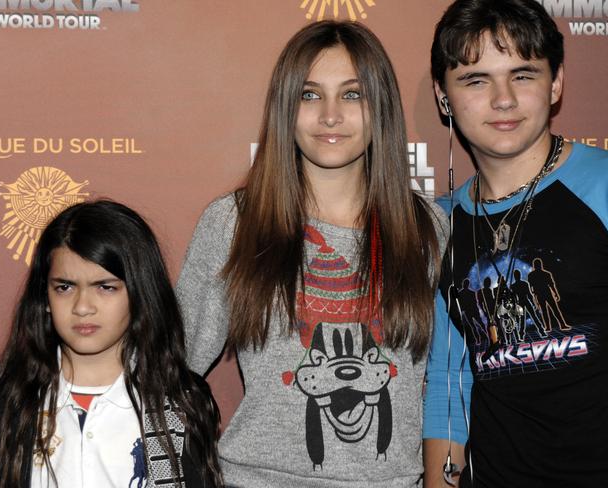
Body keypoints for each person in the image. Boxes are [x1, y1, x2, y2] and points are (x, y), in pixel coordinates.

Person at [177, 20, 448, 488]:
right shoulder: (234, 224)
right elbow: (170, 360)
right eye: (309, 95)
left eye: (351, 94)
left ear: (379, 105)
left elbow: (450, 382)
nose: (329, 115)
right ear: (285, 107)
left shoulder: (428, 229)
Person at [422, 0, 608, 486]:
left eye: (523, 75)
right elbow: (448, 386)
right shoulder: (437, 225)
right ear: (443, 96)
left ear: (555, 82)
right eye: (476, 80)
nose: (503, 100)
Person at [0, 201, 223, 488]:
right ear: (44, 298)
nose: (83, 306)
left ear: (139, 293)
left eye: (105, 287)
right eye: (65, 287)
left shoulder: (176, 405)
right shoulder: (8, 403)